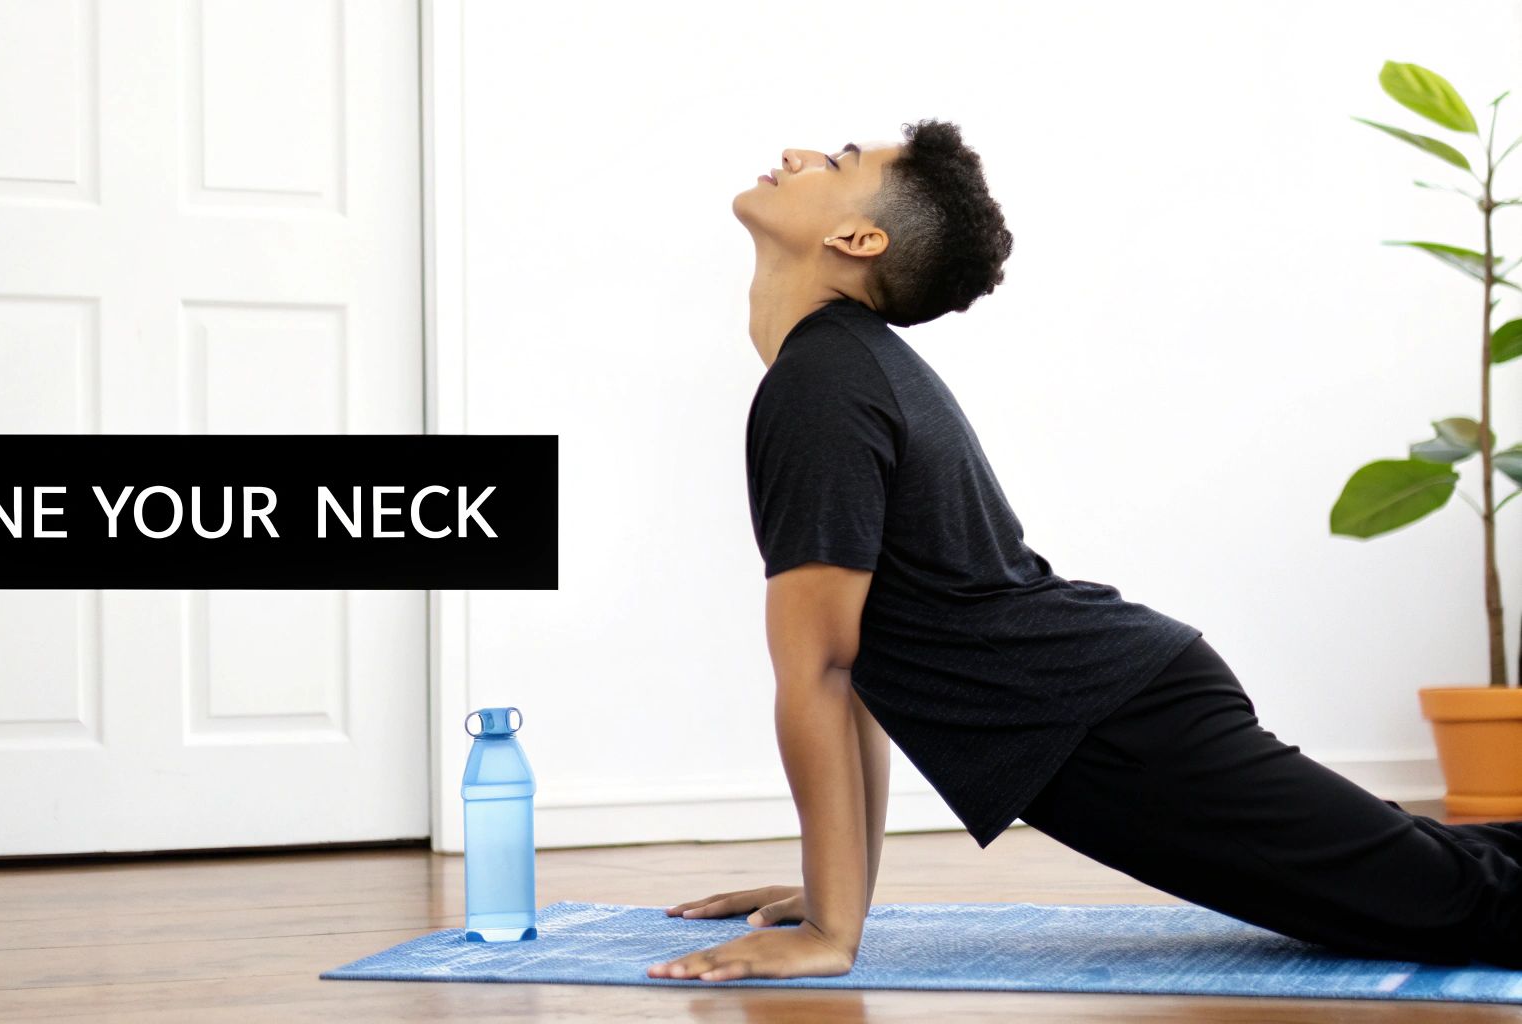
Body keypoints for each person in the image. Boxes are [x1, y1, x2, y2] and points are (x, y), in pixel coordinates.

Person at [645, 119, 1522, 983]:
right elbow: (857, 671)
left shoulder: (822, 384)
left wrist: (833, 929)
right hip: (1114, 705)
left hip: (1113, 724)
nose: (798, 152)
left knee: (1465, 905)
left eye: (835, 160)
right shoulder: (832, 371)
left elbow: (824, 671)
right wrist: (835, 900)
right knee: (1442, 867)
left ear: (858, 237)